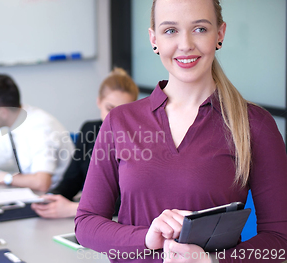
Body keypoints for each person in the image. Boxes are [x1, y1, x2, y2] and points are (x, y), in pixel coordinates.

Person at [74, 0, 287, 262]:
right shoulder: (120, 121)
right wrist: (146, 238)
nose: (185, 44)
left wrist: (211, 260)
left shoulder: (255, 124)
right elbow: (86, 223)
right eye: (170, 30)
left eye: (199, 29)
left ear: (219, 34)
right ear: (154, 39)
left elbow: (280, 241)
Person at [31, 68, 138, 218]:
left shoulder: (140, 140)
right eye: (110, 109)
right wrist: (50, 198)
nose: (114, 118)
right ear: (98, 102)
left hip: (115, 221)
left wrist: (73, 208)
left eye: (123, 111)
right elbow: (72, 179)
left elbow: (133, 202)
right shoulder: (90, 130)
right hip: (87, 216)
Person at [0, 74, 75, 192]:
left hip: (57, 197)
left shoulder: (40, 129)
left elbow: (42, 183)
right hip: (36, 194)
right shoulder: (15, 123)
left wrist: (6, 178)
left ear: (3, 113)